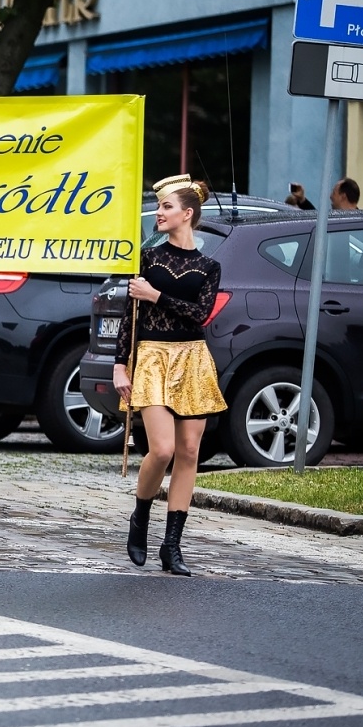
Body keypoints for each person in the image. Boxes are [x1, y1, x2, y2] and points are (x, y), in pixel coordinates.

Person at [113, 174, 227, 577]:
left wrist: (156, 295)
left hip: (192, 358)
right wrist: (118, 365)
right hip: (153, 356)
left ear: (187, 214)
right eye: (159, 207)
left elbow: (201, 314)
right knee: (161, 450)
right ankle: (140, 517)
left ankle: (173, 546)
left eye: (165, 207)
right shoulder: (146, 259)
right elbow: (130, 316)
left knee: (190, 453)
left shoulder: (209, 266)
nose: (158, 214)